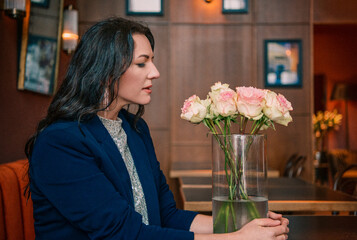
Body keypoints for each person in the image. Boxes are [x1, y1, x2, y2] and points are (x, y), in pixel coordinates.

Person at [25, 17, 289, 240]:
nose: (155, 72)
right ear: (105, 70)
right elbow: (124, 234)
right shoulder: (60, 143)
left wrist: (246, 223)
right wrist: (236, 239)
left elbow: (166, 215)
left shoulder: (134, 129)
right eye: (142, 63)